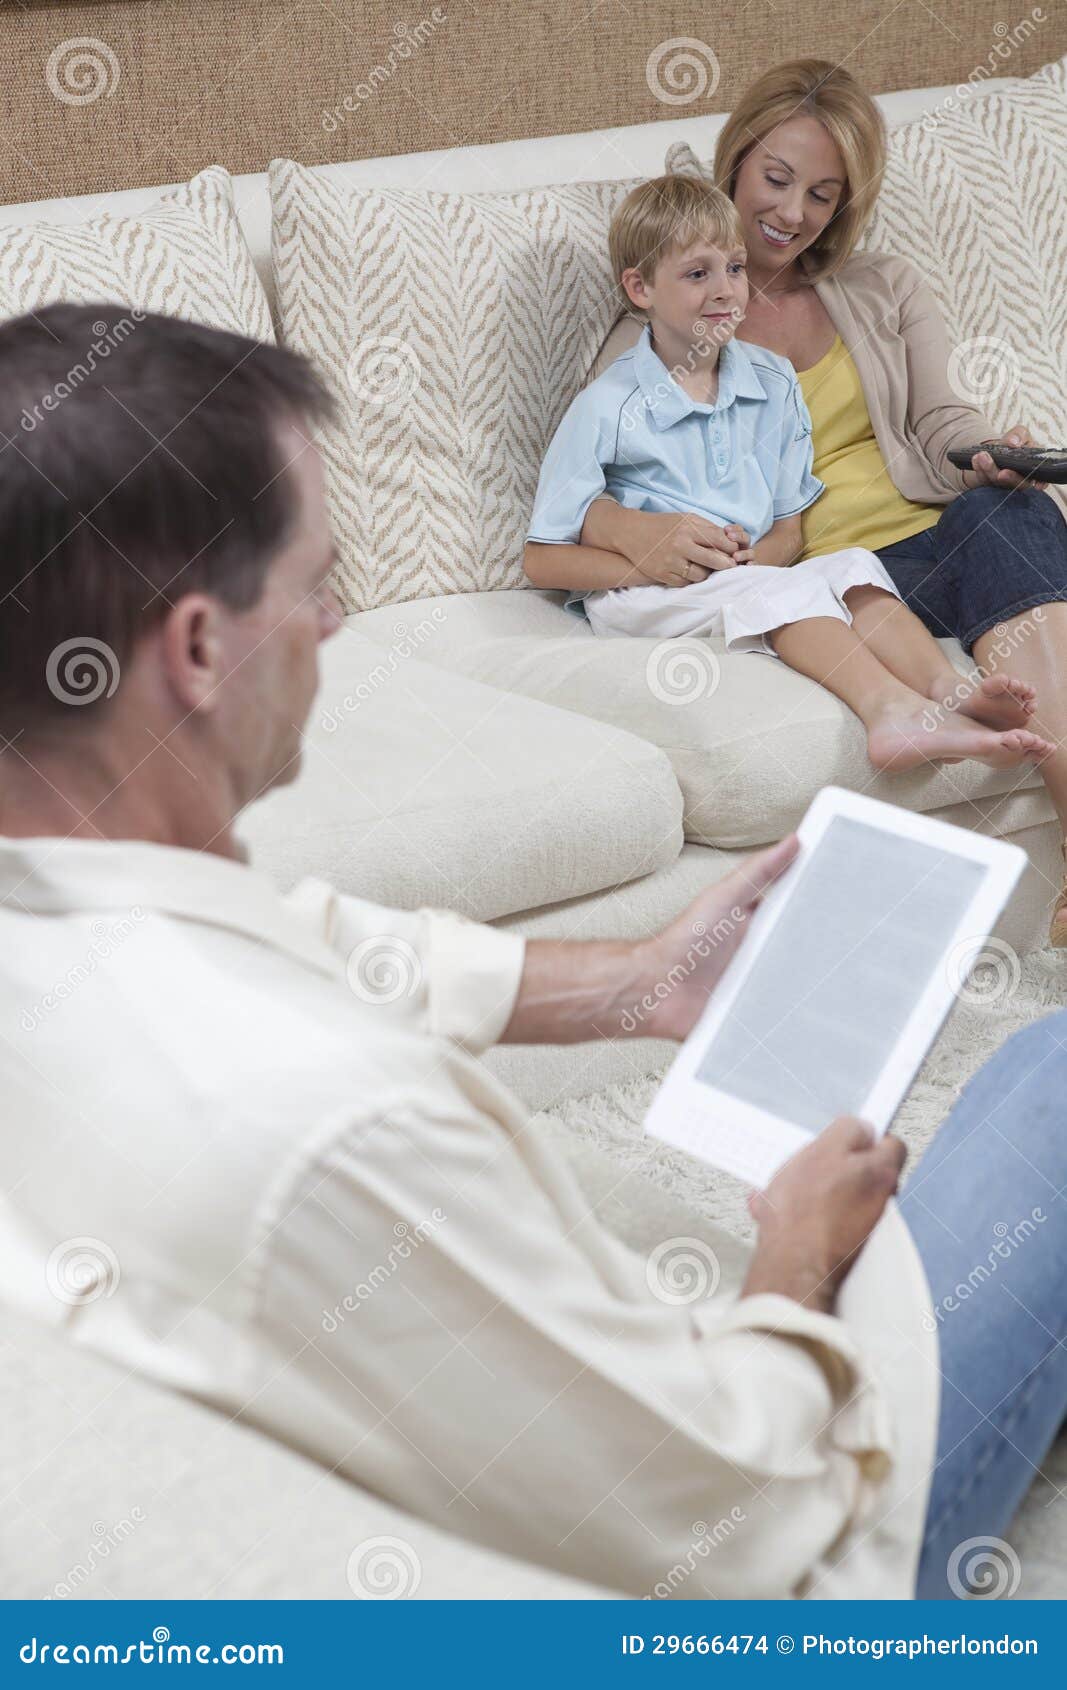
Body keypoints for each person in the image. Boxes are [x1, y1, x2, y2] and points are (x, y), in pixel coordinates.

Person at [2, 304, 1066, 1602]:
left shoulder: (71, 927)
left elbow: (313, 943)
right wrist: (795, 1254)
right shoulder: (341, 1123)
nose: (336, 625)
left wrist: (637, 980)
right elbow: (734, 1509)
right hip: (797, 1564)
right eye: (317, 584)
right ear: (199, 649)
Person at [524, 58, 1067, 942]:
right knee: (996, 537)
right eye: (775, 179)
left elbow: (938, 418)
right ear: (734, 161)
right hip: (821, 568)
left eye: (821, 193)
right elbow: (593, 488)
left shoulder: (880, 288)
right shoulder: (657, 329)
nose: (790, 213)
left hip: (934, 534)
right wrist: (643, 535)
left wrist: (985, 453)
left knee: (1008, 512)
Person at [525, 174, 1051, 776]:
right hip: (640, 595)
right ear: (640, 288)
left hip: (742, 576)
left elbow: (788, 528)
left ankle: (948, 690)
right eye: (697, 274)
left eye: (736, 268)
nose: (725, 291)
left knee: (854, 567)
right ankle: (888, 711)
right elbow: (542, 559)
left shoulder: (773, 383)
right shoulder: (606, 404)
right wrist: (652, 567)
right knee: (786, 592)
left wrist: (761, 561)